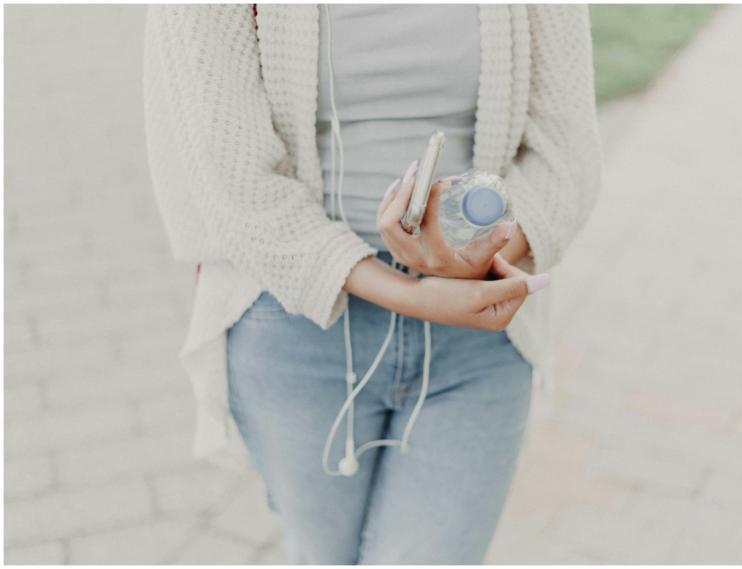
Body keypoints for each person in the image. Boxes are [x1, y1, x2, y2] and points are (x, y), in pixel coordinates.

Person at [143, 4, 601, 564]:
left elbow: (567, 154)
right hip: (295, 326)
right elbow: (230, 179)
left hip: (475, 340)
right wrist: (410, 292)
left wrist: (467, 260)